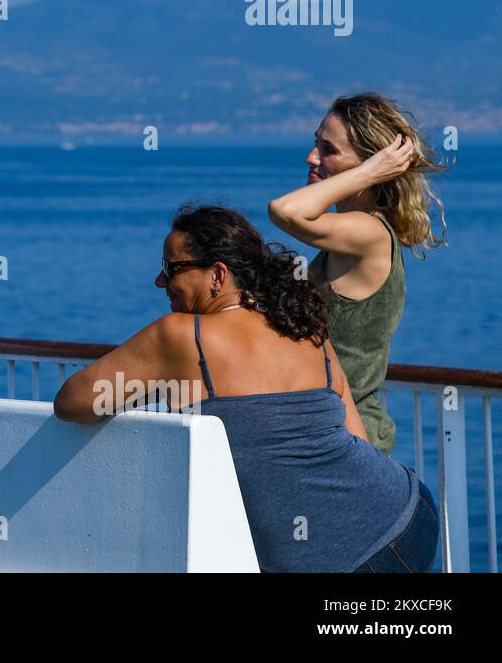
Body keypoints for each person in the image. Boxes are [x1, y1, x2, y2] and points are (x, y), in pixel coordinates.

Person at [53, 205, 439, 573]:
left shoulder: (181, 336)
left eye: (172, 270)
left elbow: (72, 401)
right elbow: (358, 439)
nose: (160, 282)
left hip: (350, 556)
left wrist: (162, 386)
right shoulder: (303, 328)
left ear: (217, 275)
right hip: (409, 513)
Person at [268, 92, 448, 454]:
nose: (311, 157)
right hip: (327, 431)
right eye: (315, 144)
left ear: (374, 166)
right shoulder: (348, 234)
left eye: (328, 150)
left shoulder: (369, 234)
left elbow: (284, 211)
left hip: (350, 440)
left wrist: (369, 172)